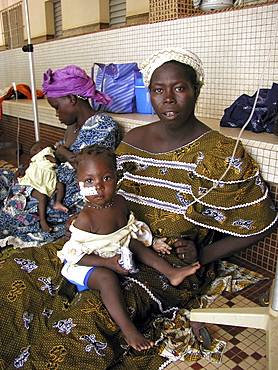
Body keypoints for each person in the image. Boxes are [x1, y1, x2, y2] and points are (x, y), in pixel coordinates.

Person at [0, 49, 277, 369]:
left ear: (196, 90)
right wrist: (84, 219)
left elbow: (262, 223)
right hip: (109, 238)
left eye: (179, 88)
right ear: (150, 94)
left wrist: (203, 255)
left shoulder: (221, 153)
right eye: (159, 90)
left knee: (86, 321)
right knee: (18, 271)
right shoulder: (132, 140)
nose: (168, 98)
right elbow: (104, 189)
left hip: (164, 260)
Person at [58, 144, 200, 351]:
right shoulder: (86, 218)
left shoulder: (120, 202)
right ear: (79, 184)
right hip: (86, 263)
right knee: (107, 278)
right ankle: (129, 330)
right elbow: (74, 255)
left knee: (133, 243)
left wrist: (151, 242)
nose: (98, 187)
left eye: (106, 178)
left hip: (112, 251)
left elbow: (128, 231)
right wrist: (107, 263)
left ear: (117, 177)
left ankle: (171, 272)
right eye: (89, 181)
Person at [0, 65, 121, 248]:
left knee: (14, 214)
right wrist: (28, 169)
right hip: (46, 183)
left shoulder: (102, 124)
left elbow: (87, 165)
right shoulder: (73, 127)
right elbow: (54, 159)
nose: (56, 114)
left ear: (71, 99)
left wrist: (62, 152)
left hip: (63, 197)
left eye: (57, 107)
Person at [17, 140, 68, 232]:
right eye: (35, 149)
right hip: (34, 184)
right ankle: (43, 220)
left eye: (42, 146)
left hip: (48, 181)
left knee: (60, 185)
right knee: (42, 197)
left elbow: (56, 162)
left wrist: (49, 157)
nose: (40, 149)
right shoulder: (34, 161)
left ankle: (58, 202)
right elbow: (26, 169)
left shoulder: (48, 157)